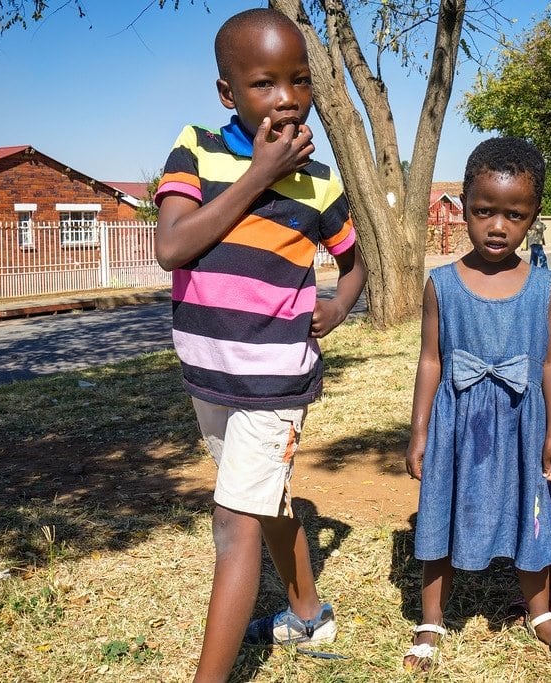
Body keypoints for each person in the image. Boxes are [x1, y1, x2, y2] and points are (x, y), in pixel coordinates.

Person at [153, 9, 366, 682]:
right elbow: (173, 246)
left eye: (299, 81)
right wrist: (259, 174)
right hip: (209, 375)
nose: (286, 97)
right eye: (264, 83)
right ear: (228, 94)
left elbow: (355, 261)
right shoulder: (195, 149)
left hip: (277, 381)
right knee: (265, 497)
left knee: (233, 520)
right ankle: (307, 610)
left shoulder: (321, 180)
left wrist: (338, 304)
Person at [403, 137, 551, 671]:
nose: (498, 226)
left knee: (533, 512)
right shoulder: (441, 285)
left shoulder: (543, 287)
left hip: (523, 422)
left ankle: (540, 613)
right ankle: (431, 618)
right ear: (464, 207)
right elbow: (431, 361)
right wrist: (418, 432)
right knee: (441, 509)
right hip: (457, 420)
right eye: (484, 211)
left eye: (515, 214)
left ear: (534, 217)